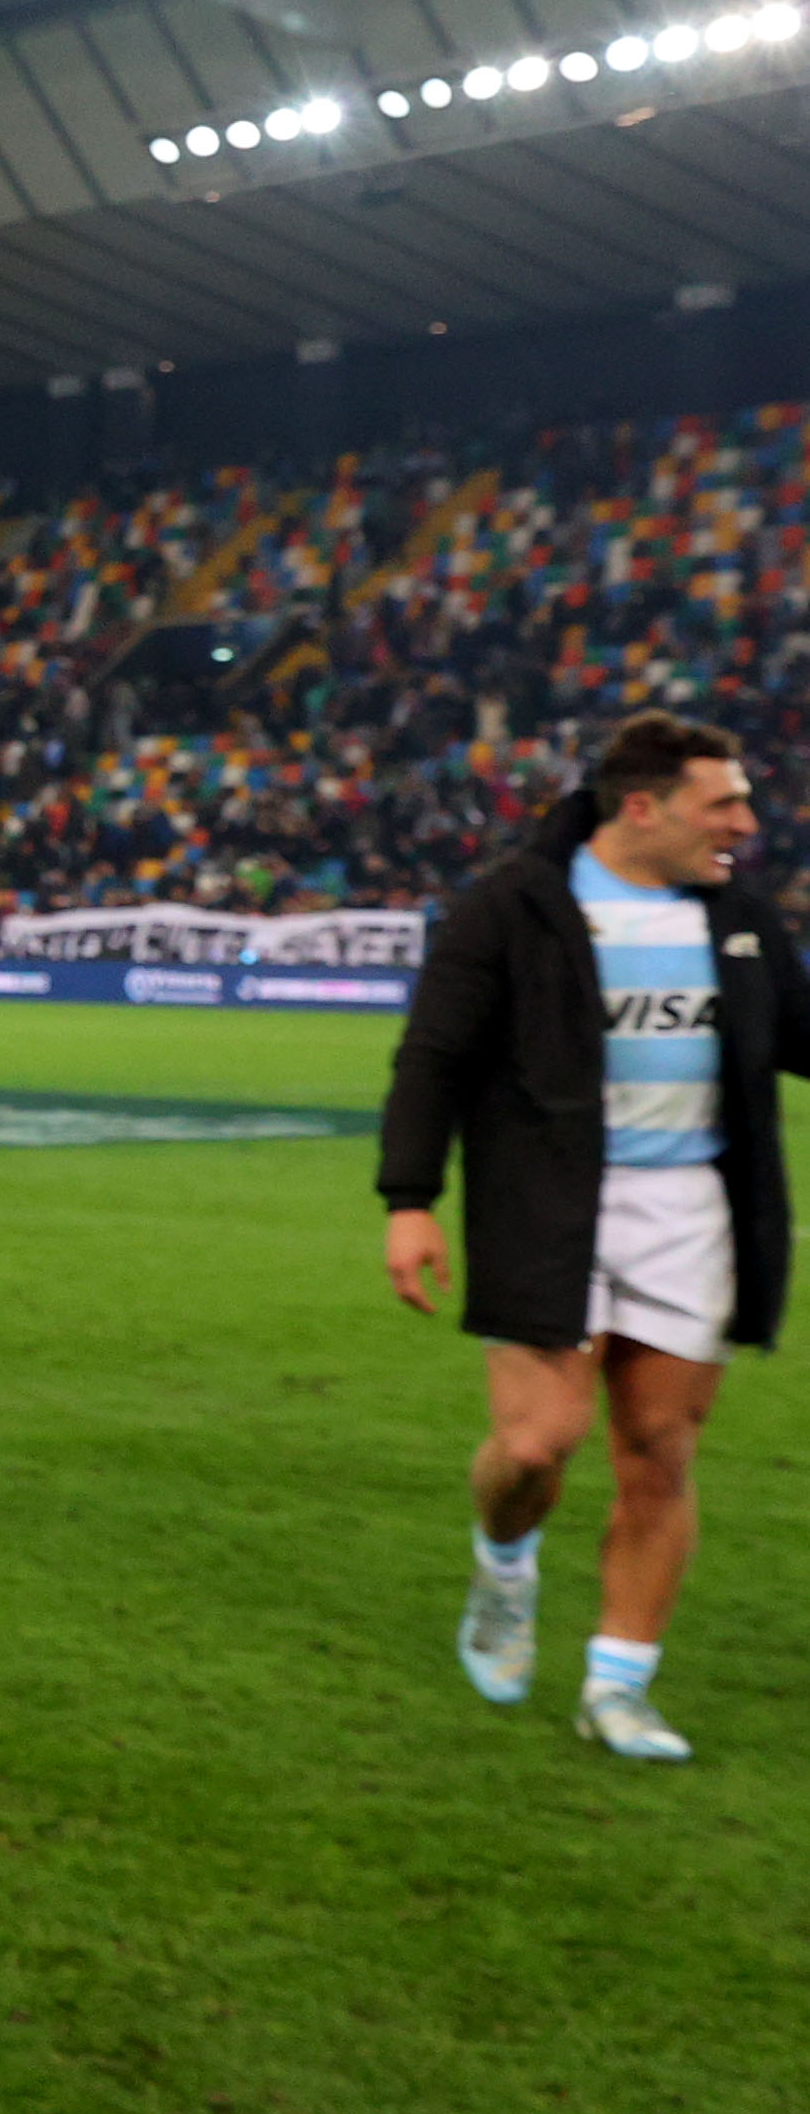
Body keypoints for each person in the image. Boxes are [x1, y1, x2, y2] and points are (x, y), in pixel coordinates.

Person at [383, 710, 808, 1763]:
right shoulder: (517, 905)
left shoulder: (737, 917)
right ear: (641, 807)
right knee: (537, 1444)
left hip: (695, 1215)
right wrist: (408, 1200)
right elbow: (432, 1056)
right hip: (549, 1207)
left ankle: (619, 1687)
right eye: (723, 804)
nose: (745, 825)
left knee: (660, 1454)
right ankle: (505, 1566)